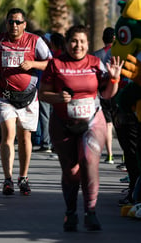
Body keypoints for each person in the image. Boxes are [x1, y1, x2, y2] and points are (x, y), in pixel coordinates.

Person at [39, 25, 123, 231]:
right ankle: (71, 213)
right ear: (67, 43)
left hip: (92, 122)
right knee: (70, 171)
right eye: (74, 41)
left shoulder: (95, 63)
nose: (78, 46)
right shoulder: (55, 64)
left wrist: (114, 78)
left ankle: (91, 211)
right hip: (62, 124)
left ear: (88, 44)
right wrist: (58, 97)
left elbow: (107, 94)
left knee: (88, 161)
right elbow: (42, 94)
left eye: (82, 42)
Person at [0, 8, 52, 196]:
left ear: (24, 24)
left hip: (28, 96)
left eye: (18, 22)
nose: (14, 25)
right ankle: (8, 179)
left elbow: (50, 63)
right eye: (11, 21)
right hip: (4, 95)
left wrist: (33, 64)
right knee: (8, 134)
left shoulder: (35, 41)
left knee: (25, 137)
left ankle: (23, 177)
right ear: (6, 23)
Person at [93, 27, 115, 164]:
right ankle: (125, 155)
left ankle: (110, 154)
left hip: (102, 92)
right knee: (119, 123)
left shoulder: (96, 55)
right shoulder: (118, 53)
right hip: (117, 89)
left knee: (107, 124)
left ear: (103, 39)